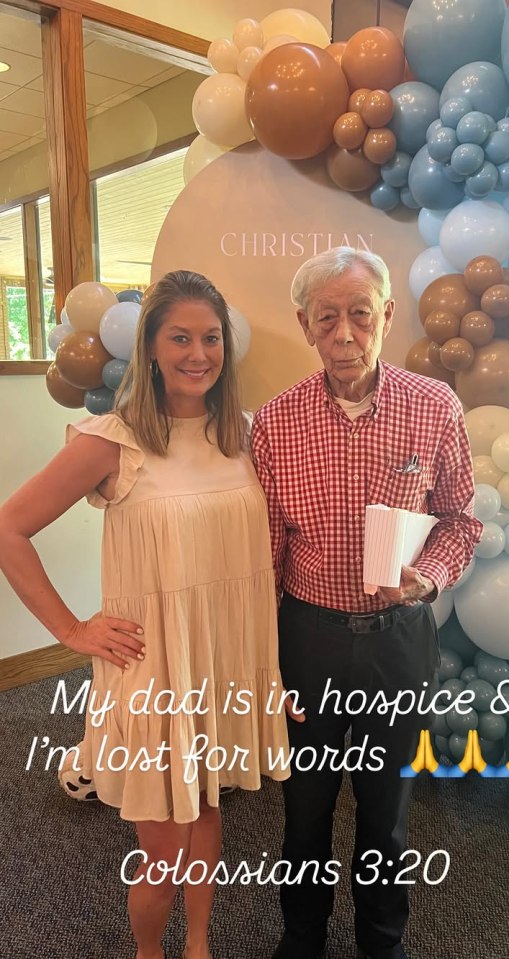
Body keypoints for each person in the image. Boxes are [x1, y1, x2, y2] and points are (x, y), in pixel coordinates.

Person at [0, 270, 289, 959]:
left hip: (220, 662)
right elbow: (9, 528)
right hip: (154, 667)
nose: (198, 353)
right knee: (162, 851)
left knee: (208, 804)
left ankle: (197, 945)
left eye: (211, 337)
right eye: (179, 337)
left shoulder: (244, 435)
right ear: (150, 349)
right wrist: (71, 631)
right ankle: (148, 952)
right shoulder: (113, 438)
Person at [250, 247, 482, 959]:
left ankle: (384, 943)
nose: (344, 334)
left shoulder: (434, 405)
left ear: (386, 313)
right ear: (305, 325)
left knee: (387, 814)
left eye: (360, 314)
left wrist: (430, 576)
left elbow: (462, 519)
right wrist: (264, 662)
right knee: (305, 810)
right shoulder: (274, 423)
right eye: (327, 318)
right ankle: (301, 938)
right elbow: (265, 555)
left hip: (397, 638)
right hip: (308, 637)